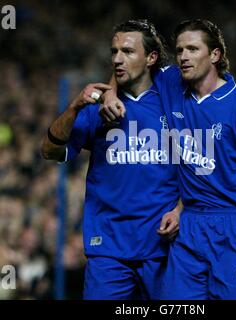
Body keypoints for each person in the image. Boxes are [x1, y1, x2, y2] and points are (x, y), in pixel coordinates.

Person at [103, 19, 236, 300]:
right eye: (179, 50)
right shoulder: (172, 85)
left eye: (192, 49)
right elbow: (127, 66)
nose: (184, 56)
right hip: (189, 230)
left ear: (215, 55)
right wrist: (111, 93)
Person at [41, 19, 182, 300]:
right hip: (108, 248)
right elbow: (50, 151)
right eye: (114, 51)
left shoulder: (174, 99)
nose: (118, 59)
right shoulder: (96, 109)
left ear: (151, 58)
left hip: (162, 246)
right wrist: (75, 106)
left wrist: (180, 210)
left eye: (128, 52)